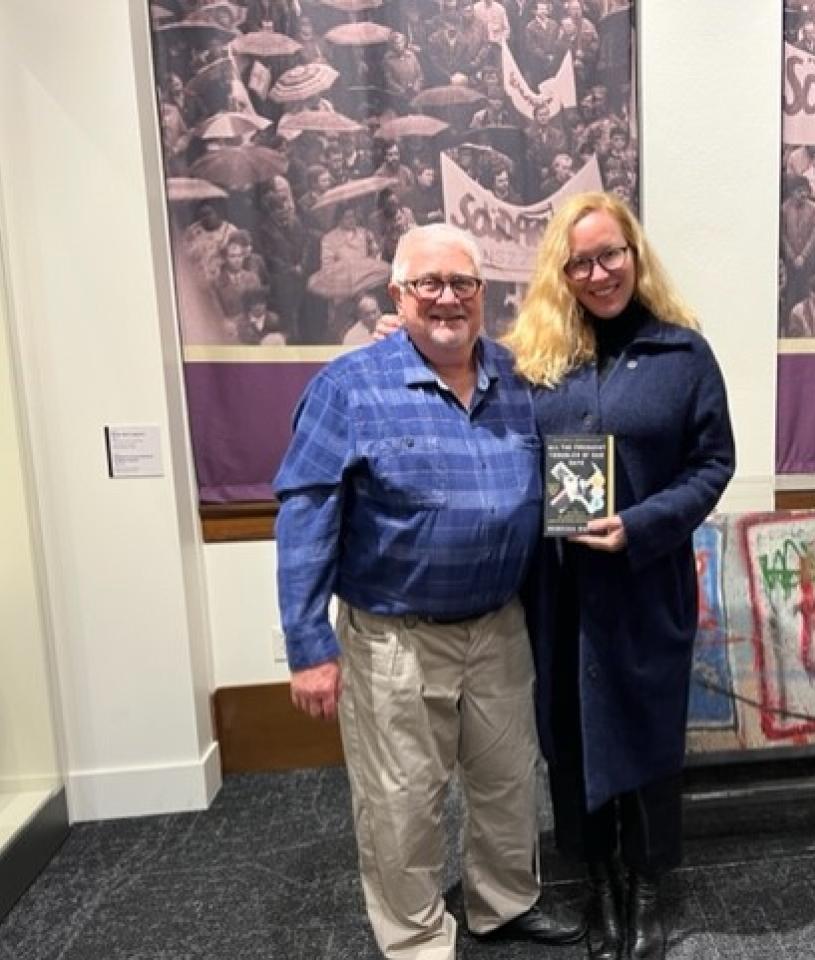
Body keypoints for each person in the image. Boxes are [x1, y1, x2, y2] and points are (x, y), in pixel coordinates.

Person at [275, 224, 583, 960]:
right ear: (397, 296)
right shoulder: (348, 387)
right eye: (428, 285)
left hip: (498, 627)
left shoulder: (517, 379)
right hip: (394, 637)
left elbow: (572, 466)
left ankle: (503, 905)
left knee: (507, 782)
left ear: (485, 294)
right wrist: (308, 645)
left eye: (463, 284)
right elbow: (304, 516)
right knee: (402, 800)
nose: (447, 298)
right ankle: (414, 938)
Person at [505, 192, 735, 960]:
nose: (598, 272)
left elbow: (713, 463)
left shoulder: (682, 355)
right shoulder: (536, 362)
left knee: (644, 733)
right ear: (560, 272)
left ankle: (644, 885)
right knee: (567, 736)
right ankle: (596, 879)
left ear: (635, 255)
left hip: (643, 581)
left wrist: (642, 525)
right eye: (580, 261)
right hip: (559, 589)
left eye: (610, 255)